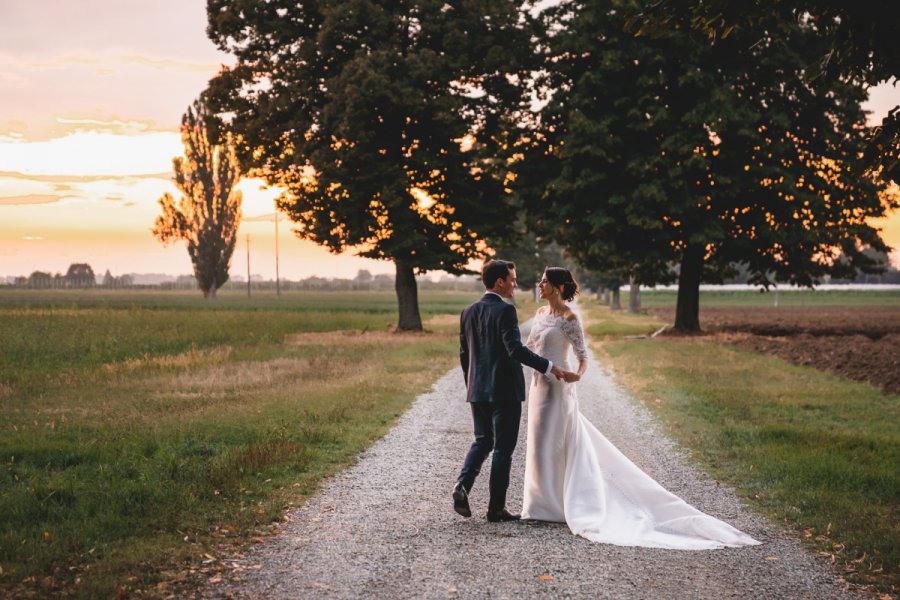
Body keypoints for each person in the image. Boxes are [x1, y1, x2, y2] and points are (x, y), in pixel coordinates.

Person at [521, 267, 760, 549]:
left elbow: (583, 357)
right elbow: (529, 347)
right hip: (539, 386)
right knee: (538, 443)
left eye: (545, 281)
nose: (540, 284)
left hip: (561, 389)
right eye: (541, 280)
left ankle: (561, 505)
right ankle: (540, 504)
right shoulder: (538, 314)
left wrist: (578, 375)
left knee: (557, 442)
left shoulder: (570, 319)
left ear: (559, 287)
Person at [454, 260, 572, 522]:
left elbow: (465, 355)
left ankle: (462, 486)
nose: (515, 284)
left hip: (477, 388)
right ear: (499, 282)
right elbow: (514, 350)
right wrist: (550, 366)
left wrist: (471, 384)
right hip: (505, 390)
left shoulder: (468, 311)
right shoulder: (506, 311)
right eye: (512, 279)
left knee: (483, 440)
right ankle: (496, 509)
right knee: (503, 449)